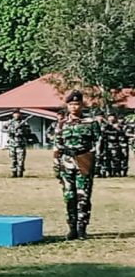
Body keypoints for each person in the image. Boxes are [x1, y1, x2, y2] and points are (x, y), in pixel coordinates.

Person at [53, 91, 100, 240]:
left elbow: (98, 143)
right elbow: (57, 146)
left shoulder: (91, 123)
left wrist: (95, 162)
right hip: (67, 162)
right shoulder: (61, 124)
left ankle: (82, 228)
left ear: (82, 105)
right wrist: (56, 166)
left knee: (83, 196)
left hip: (84, 160)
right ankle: (71, 227)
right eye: (71, 104)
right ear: (67, 106)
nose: (74, 107)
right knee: (69, 196)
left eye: (77, 104)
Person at [5, 110, 33, 177]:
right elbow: (3, 129)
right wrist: (10, 131)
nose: (16, 115)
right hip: (12, 143)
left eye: (18, 114)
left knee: (20, 159)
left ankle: (20, 173)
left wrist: (21, 133)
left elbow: (29, 131)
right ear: (13, 115)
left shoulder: (24, 122)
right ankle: (13, 173)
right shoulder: (9, 122)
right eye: (15, 114)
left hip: (20, 144)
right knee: (13, 159)